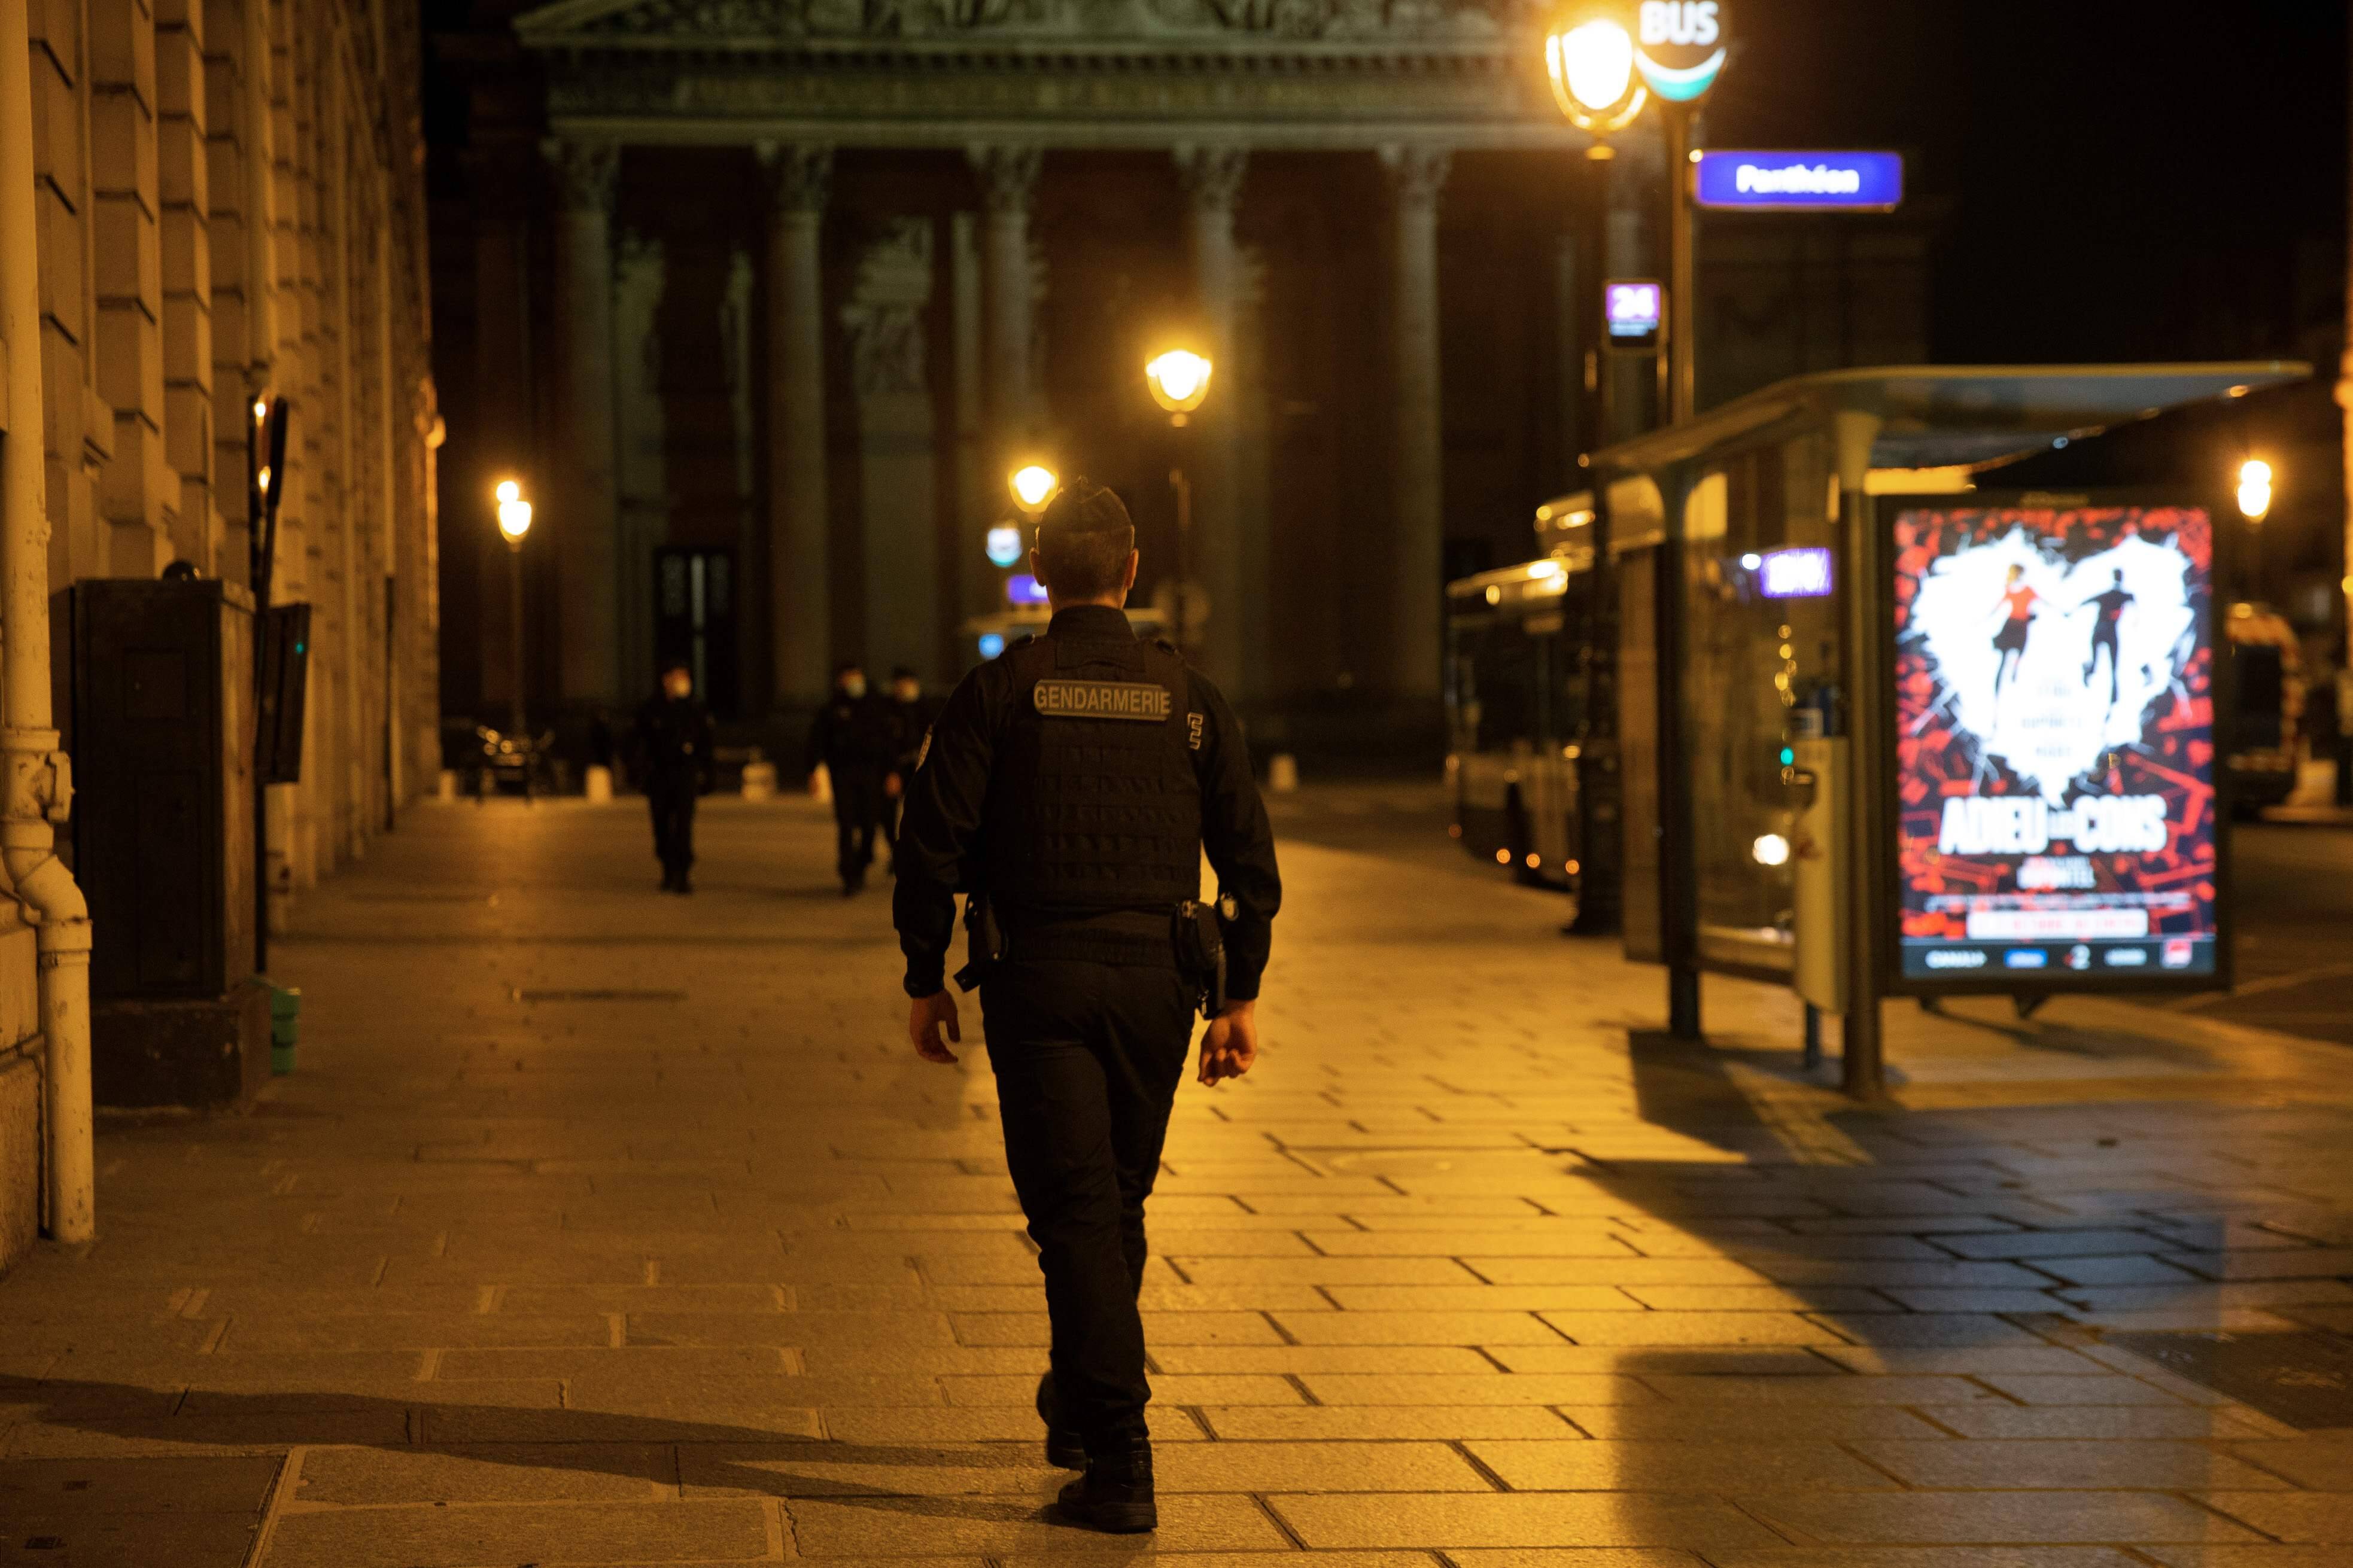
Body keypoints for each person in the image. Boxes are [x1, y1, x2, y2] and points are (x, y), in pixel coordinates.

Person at [891, 479, 1281, 1535]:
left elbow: (929, 842)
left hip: (1042, 981)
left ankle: (1118, 1459)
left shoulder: (1000, 692)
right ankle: (1076, 1401)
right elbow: (1248, 859)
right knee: (1112, 1201)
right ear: (1131, 568)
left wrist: (925, 973)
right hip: (1159, 982)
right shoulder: (1191, 699)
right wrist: (1236, 993)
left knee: (1074, 1212)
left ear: (1037, 569)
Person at [805, 662, 896, 896]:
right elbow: (817, 741)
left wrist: (892, 773)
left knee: (869, 823)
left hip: (872, 772)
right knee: (846, 824)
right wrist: (813, 771)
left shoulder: (877, 706)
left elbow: (889, 743)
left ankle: (864, 859)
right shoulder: (832, 709)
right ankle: (849, 875)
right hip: (843, 773)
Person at [633, 661, 716, 893]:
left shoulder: (694, 709)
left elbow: (705, 745)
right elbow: (639, 743)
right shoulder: (651, 709)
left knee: (683, 825)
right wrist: (639, 773)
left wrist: (707, 775)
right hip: (658, 775)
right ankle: (667, 868)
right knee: (661, 825)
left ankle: (683, 873)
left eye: (685, 676)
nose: (683, 681)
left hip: (685, 775)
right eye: (678, 676)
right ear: (666, 679)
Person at [878, 665, 938, 866]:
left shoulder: (927, 708)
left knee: (918, 812)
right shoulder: (887, 709)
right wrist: (890, 771)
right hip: (895, 769)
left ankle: (912, 853)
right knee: (888, 814)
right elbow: (884, 742)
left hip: (920, 769)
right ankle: (895, 849)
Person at [1989, 563, 2041, 705]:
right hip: (2015, 626)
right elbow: (1997, 607)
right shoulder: (2018, 590)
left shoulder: (2023, 590)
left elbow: (2041, 603)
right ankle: (2000, 691)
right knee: (2014, 654)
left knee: (2014, 655)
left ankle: (2012, 675)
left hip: (2016, 625)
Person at [2081, 569, 2135, 710]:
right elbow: (2088, 600)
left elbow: (2088, 601)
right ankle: (2090, 672)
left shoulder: (2118, 595)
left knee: (2109, 664)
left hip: (2105, 632)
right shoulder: (2119, 595)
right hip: (2104, 631)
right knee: (2107, 664)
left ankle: (2114, 694)